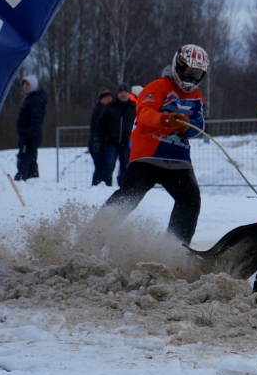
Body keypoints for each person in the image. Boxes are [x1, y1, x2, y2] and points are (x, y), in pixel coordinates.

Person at [99, 45, 208, 244]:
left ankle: (175, 248)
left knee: (191, 199)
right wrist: (165, 120)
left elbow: (199, 126)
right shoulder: (158, 86)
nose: (192, 78)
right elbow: (145, 113)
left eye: (197, 74)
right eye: (189, 72)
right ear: (179, 65)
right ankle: (93, 237)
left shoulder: (197, 97)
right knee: (130, 196)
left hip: (178, 159)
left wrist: (184, 127)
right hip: (148, 154)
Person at [97, 82, 137, 187]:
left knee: (125, 167)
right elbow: (101, 123)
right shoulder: (110, 107)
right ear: (118, 93)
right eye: (121, 92)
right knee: (109, 166)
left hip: (127, 143)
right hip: (111, 143)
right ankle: (105, 186)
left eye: (125, 92)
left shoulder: (134, 108)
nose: (123, 94)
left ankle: (123, 187)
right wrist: (98, 139)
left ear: (129, 94)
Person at [15, 74, 48, 181]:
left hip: (30, 137)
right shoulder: (29, 99)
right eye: (24, 84)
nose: (25, 86)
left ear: (33, 85)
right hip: (26, 136)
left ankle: (22, 181)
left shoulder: (35, 100)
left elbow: (36, 120)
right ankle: (33, 181)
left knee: (24, 160)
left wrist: (30, 137)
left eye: (27, 84)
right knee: (31, 160)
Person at [89, 88, 112, 186]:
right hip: (98, 143)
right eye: (106, 98)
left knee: (104, 166)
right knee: (100, 166)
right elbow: (96, 128)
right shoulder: (99, 110)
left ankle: (100, 185)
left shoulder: (104, 109)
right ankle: (98, 185)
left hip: (103, 142)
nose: (108, 99)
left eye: (109, 97)